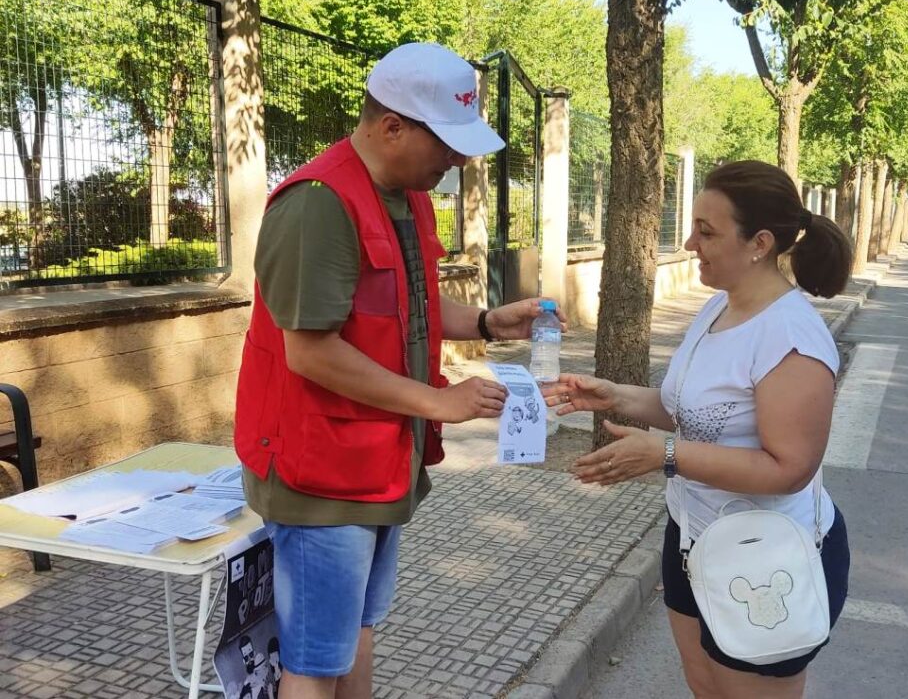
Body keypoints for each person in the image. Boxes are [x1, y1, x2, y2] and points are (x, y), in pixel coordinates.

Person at [233, 42, 566, 699]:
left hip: (379, 463)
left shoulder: (404, 196)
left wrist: (491, 321)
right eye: (448, 143)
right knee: (312, 659)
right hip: (322, 478)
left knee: (356, 631)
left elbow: (412, 298)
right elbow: (310, 350)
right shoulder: (318, 205)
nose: (460, 160)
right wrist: (437, 403)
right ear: (392, 127)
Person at [543, 160, 852, 699]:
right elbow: (695, 413)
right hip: (693, 539)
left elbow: (790, 468)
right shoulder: (718, 308)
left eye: (706, 232)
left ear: (758, 243)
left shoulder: (791, 338)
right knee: (707, 688)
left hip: (767, 556)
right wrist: (614, 395)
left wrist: (666, 455)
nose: (688, 243)